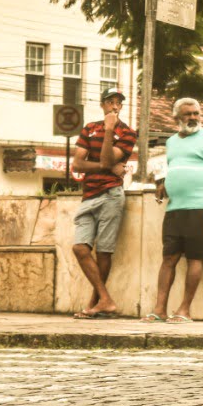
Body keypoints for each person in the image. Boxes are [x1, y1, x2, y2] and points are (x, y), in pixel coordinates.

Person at [145, 98, 203, 323]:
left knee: (194, 258)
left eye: (196, 113)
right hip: (174, 210)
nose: (192, 118)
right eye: (187, 114)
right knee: (168, 258)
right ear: (176, 118)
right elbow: (168, 170)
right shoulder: (171, 142)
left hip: (200, 209)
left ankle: (184, 310)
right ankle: (159, 309)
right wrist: (161, 184)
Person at [70, 88, 137, 319]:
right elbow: (77, 165)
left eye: (119, 102)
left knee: (104, 251)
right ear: (102, 104)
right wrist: (106, 167)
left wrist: (109, 130)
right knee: (80, 247)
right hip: (89, 195)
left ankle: (95, 304)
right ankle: (106, 299)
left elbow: (108, 158)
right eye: (110, 101)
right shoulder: (89, 128)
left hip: (111, 194)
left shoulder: (128, 133)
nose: (115, 106)